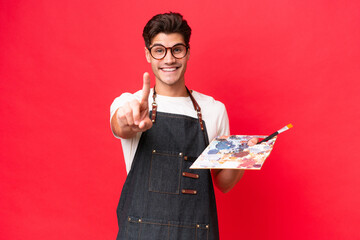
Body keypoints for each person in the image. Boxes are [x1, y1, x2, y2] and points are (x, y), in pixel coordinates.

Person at [110, 12, 258, 240]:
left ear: (187, 52)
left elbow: (223, 183)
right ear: (148, 55)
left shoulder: (213, 110)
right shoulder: (131, 103)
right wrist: (128, 119)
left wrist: (244, 156)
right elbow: (121, 125)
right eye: (159, 50)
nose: (169, 59)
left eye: (176, 49)